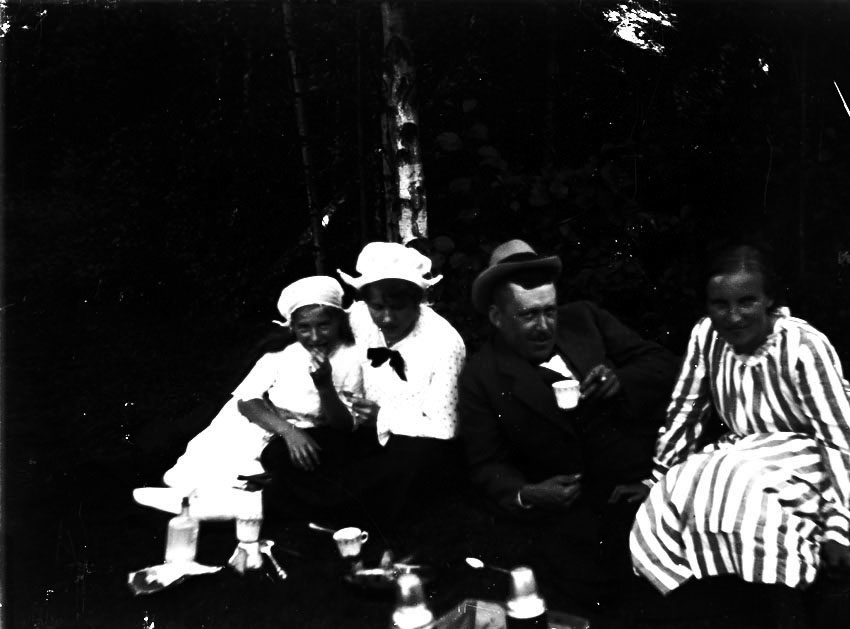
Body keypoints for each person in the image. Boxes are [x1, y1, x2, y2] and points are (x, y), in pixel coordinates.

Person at [457, 238, 679, 616]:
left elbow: (662, 364)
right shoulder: (482, 375)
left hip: (639, 483)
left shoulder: (584, 319)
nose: (544, 327)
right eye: (528, 315)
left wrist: (620, 380)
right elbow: (485, 464)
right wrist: (528, 492)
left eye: (550, 311)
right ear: (496, 317)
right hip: (570, 513)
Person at [630, 242, 850, 614]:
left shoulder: (804, 346)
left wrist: (840, 524)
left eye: (747, 302)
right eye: (720, 304)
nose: (733, 317)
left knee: (739, 481)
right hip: (745, 454)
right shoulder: (706, 336)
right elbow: (686, 408)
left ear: (769, 300)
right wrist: (659, 477)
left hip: (816, 459)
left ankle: (786, 602)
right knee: (686, 485)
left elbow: (838, 438)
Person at [262, 241, 467, 528]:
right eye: (378, 307)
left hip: (411, 442)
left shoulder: (445, 343)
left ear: (418, 301)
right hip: (362, 437)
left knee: (413, 464)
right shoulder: (358, 317)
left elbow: (446, 428)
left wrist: (384, 418)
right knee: (282, 453)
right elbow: (315, 328)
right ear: (366, 301)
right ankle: (343, 508)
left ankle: (312, 506)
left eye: (399, 308)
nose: (387, 318)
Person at [162, 276, 363, 495]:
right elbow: (246, 401)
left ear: (339, 320)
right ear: (293, 328)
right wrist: (288, 431)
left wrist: (324, 386)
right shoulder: (282, 354)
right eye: (304, 328)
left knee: (283, 482)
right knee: (206, 473)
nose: (315, 337)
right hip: (269, 424)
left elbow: (344, 425)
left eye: (324, 325)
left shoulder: (352, 358)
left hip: (314, 434)